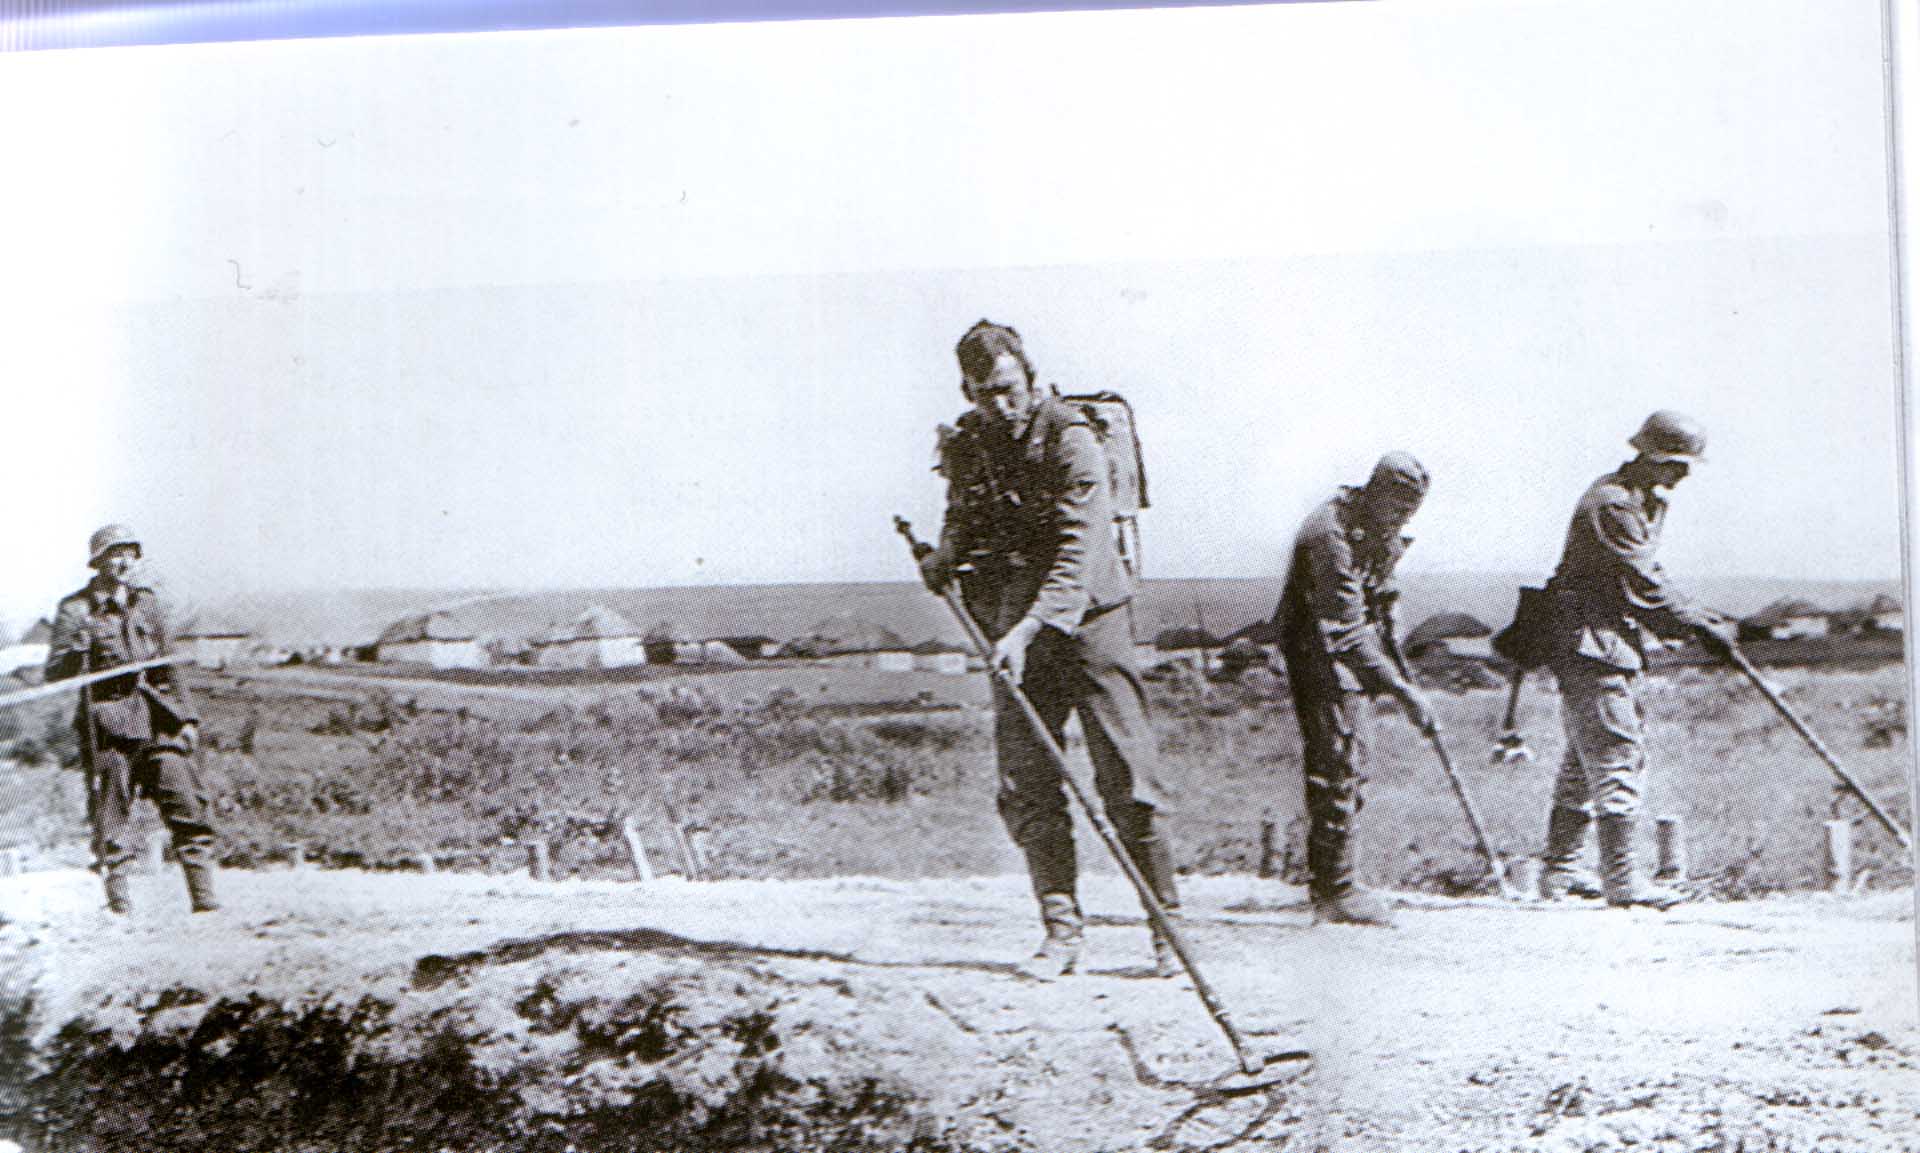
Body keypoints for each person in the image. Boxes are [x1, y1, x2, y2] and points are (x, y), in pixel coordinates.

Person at [919, 320, 1178, 979]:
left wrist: (1030, 627)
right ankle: (1061, 933)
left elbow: (1076, 551)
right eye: (984, 393)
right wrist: (945, 555)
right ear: (968, 391)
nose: (999, 404)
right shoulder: (971, 442)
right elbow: (963, 511)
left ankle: (1166, 932)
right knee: (1027, 781)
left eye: (1008, 388)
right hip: (1014, 624)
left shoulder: (1072, 437)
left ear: (1030, 379)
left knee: (1128, 777)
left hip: (1090, 621)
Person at [1536, 411, 1737, 908]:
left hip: (1606, 641)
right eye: (1676, 462)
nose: (1684, 473)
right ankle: (1622, 881)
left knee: (1585, 758)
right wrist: (1697, 626)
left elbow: (1650, 574)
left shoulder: (1641, 500)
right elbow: (1643, 583)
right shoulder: (1612, 504)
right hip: (1590, 641)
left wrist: (1701, 617)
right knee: (1617, 752)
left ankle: (1561, 873)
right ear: (1650, 455)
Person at [1273, 453, 1438, 928]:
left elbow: (1382, 595)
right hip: (1318, 649)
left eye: (1412, 510)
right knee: (1338, 760)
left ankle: (1339, 878)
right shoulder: (1330, 533)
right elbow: (1344, 630)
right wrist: (1405, 693)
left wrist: (1398, 653)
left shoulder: (1377, 525)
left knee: (1354, 760)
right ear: (1378, 492)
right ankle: (1334, 889)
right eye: (1399, 507)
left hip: (1347, 645)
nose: (1404, 518)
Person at [44, 524, 220, 916]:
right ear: (98, 562)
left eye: (130, 554)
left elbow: (168, 666)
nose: (124, 562)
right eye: (115, 554)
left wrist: (187, 718)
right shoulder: (75, 610)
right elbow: (55, 672)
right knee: (112, 817)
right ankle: (120, 905)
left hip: (158, 720)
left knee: (187, 804)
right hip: (108, 726)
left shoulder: (147, 603)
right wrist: (76, 651)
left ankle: (205, 900)